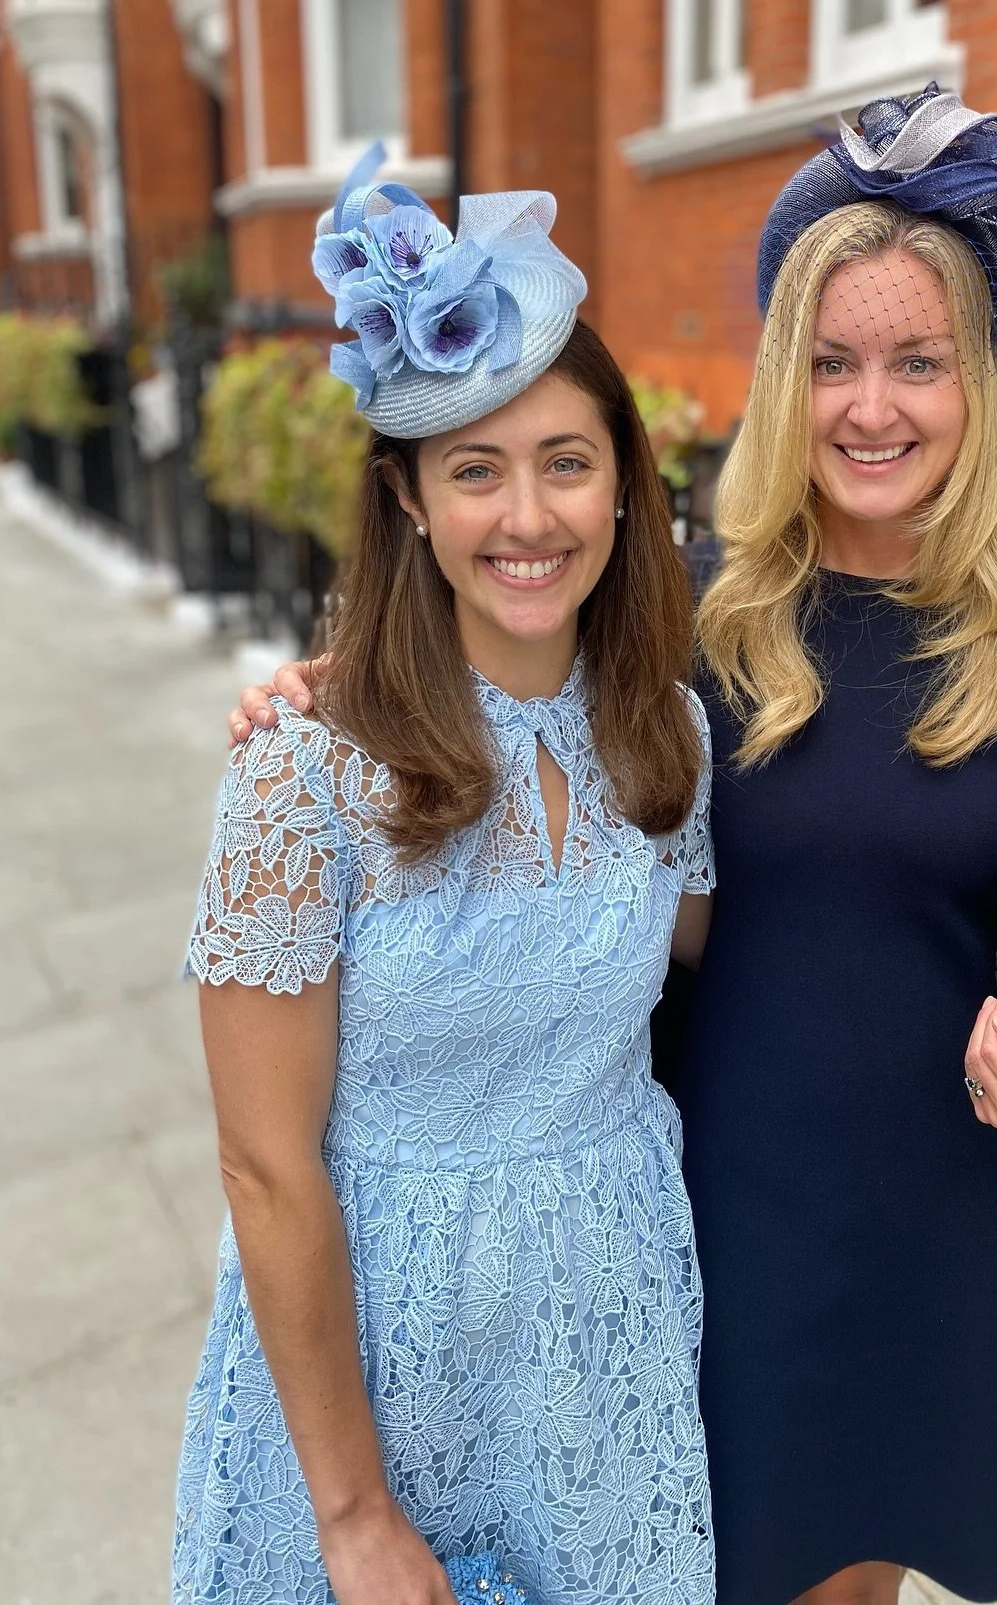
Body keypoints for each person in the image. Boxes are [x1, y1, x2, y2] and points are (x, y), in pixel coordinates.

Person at [227, 89, 997, 1605]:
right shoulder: (692, 614)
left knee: (873, 1566)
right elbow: (491, 636)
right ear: (785, 382)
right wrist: (324, 686)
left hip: (954, 1205)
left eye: (918, 362)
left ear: (981, 382)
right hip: (732, 1203)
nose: (873, 408)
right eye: (835, 363)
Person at [175, 154, 717, 1605]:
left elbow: (728, 962)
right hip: (377, 1361)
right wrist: (352, 1515)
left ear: (622, 487)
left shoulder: (670, 736)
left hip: (606, 1347)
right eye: (474, 468)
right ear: (410, 500)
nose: (526, 516)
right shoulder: (305, 771)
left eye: (565, 461)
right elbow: (262, 1161)